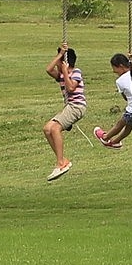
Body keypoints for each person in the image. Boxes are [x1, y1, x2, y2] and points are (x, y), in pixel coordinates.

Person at [43, 43, 86, 181]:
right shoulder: (62, 75)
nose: (56, 66)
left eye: (59, 63)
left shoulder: (76, 72)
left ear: (65, 64)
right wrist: (60, 55)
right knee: (47, 129)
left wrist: (65, 70)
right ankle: (63, 160)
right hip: (70, 107)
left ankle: (61, 164)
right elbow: (48, 69)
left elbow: (71, 87)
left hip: (77, 106)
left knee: (55, 129)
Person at [94, 52, 132, 149]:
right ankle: (116, 142)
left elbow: (125, 97)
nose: (114, 72)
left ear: (120, 66)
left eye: (115, 70)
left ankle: (105, 137)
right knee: (129, 125)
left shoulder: (120, 81)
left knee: (120, 125)